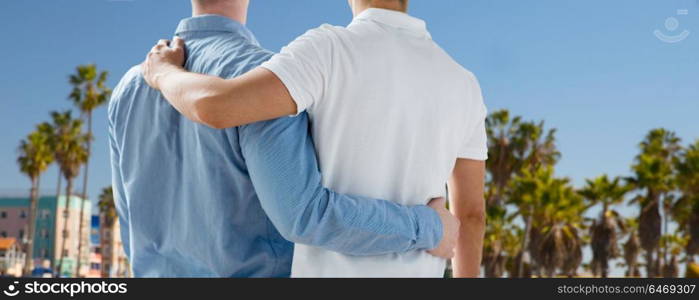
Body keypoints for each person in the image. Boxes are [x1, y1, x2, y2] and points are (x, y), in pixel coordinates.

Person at [109, 0, 458, 277]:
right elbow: (304, 215)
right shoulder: (265, 82)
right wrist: (429, 227)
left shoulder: (128, 88)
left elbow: (130, 221)